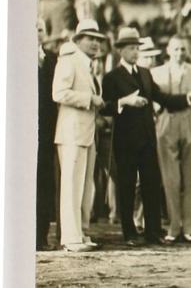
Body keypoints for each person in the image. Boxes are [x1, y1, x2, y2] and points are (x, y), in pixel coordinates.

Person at [101, 27, 191, 246]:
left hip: (148, 139)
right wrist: (125, 102)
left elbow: (161, 97)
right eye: (131, 48)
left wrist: (186, 99)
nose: (135, 52)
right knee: (126, 186)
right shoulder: (112, 77)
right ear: (121, 51)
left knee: (151, 185)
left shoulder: (144, 73)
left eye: (136, 48)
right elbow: (105, 107)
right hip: (125, 141)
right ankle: (130, 233)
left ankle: (153, 232)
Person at [52, 19, 108, 252]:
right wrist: (89, 100)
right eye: (90, 38)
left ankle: (81, 231)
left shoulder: (88, 65)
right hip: (72, 132)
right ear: (78, 40)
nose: (95, 43)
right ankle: (70, 237)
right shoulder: (69, 61)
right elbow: (59, 93)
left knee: (86, 187)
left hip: (86, 132)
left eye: (98, 39)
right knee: (72, 185)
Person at [151, 36, 191, 243]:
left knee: (190, 176)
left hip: (189, 122)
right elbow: (155, 99)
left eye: (183, 49)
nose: (180, 53)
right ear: (168, 51)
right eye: (176, 49)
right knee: (170, 178)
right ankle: (173, 226)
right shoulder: (157, 72)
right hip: (167, 123)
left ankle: (190, 227)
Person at [37, 18, 60, 250]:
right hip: (24, 131)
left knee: (44, 182)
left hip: (47, 131)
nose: (37, 32)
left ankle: (41, 237)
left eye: (41, 29)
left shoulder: (53, 60)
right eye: (34, 28)